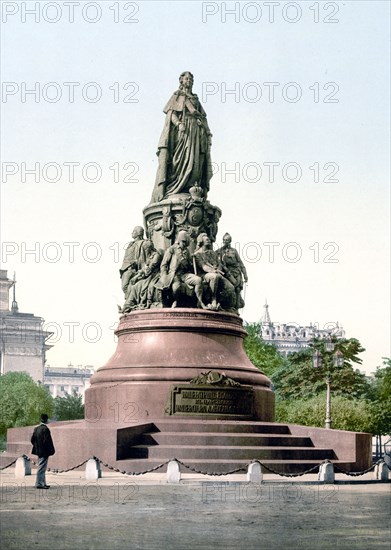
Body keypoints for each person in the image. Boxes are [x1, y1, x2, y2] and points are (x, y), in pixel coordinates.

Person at [150, 71, 213, 203]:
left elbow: (203, 116)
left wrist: (206, 131)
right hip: (183, 131)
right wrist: (178, 124)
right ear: (181, 81)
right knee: (180, 159)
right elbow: (171, 114)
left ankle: (191, 186)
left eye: (191, 79)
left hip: (196, 132)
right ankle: (175, 187)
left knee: (195, 160)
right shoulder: (177, 96)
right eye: (187, 79)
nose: (189, 81)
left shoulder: (195, 99)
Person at [156, 230, 207, 308]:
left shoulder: (187, 251)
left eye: (186, 242)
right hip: (173, 274)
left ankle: (200, 302)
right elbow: (164, 264)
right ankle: (176, 301)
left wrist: (192, 260)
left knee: (198, 280)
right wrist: (164, 276)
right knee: (176, 287)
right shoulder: (172, 249)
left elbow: (190, 266)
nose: (184, 244)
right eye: (183, 242)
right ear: (179, 240)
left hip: (184, 274)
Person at [193, 233, 235, 311]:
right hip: (204, 275)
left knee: (231, 288)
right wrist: (213, 270)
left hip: (217, 273)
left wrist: (218, 269)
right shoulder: (198, 254)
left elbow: (219, 264)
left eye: (209, 239)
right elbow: (203, 267)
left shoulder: (213, 253)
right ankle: (213, 299)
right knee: (214, 277)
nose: (209, 240)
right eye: (206, 240)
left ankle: (220, 302)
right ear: (201, 241)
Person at [122, 241, 163, 312]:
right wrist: (136, 276)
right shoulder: (150, 257)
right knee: (134, 286)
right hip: (148, 276)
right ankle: (128, 305)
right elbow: (144, 268)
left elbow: (150, 268)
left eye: (146, 249)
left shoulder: (157, 256)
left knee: (140, 286)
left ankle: (132, 304)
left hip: (154, 275)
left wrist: (140, 274)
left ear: (149, 248)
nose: (145, 251)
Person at [217, 232, 248, 309]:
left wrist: (245, 274)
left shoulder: (234, 251)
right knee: (231, 289)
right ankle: (228, 305)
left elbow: (240, 263)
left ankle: (236, 308)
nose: (225, 241)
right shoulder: (220, 251)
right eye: (224, 240)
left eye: (227, 240)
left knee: (238, 290)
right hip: (227, 273)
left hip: (237, 272)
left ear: (230, 241)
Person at [119, 226, 149, 300]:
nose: (132, 233)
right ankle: (131, 301)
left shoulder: (144, 243)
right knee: (125, 287)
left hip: (132, 269)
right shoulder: (131, 244)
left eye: (134, 231)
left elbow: (146, 259)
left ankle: (132, 301)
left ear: (139, 233)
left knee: (125, 286)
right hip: (126, 268)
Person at [31, 413, 55, 489]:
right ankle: (39, 484)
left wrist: (37, 447)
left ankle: (43, 483)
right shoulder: (46, 429)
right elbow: (48, 441)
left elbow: (32, 440)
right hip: (44, 452)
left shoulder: (36, 429)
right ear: (47, 420)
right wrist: (51, 450)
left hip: (38, 451)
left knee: (42, 467)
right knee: (41, 468)